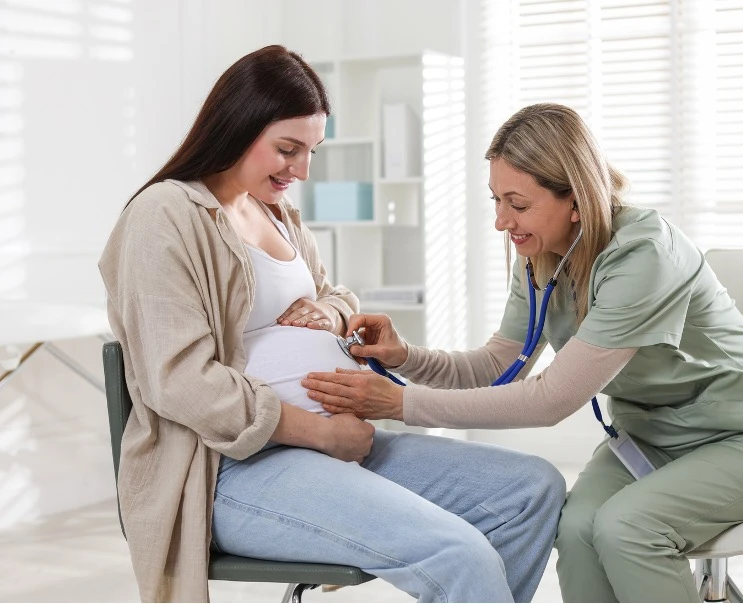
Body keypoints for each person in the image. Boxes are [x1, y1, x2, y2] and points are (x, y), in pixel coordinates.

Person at [303, 103, 743, 603]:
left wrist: (399, 404)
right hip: (653, 440)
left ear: (576, 199)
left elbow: (551, 400)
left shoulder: (644, 255)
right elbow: (498, 366)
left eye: (519, 204)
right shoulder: (539, 259)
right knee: (575, 529)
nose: (502, 223)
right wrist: (403, 358)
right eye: (496, 200)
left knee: (628, 529)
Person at [99, 46, 565, 603]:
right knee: (459, 555)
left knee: (532, 489)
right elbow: (179, 381)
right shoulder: (165, 216)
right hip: (231, 470)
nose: (302, 171)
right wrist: (321, 432)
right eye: (288, 149)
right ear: (236, 127)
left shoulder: (277, 215)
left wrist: (334, 312)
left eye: (312, 151)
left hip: (334, 448)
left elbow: (331, 295)